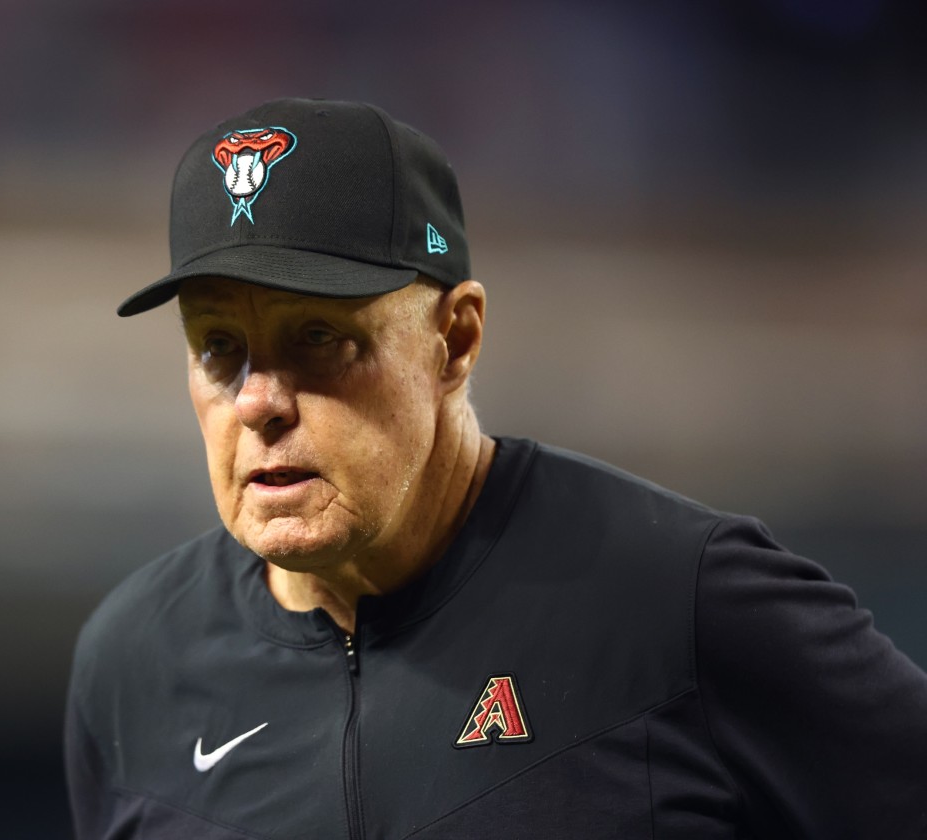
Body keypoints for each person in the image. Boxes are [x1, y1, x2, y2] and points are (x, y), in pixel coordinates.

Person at [64, 97, 927, 839]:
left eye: (320, 337)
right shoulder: (135, 661)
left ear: (457, 339)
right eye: (219, 348)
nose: (258, 402)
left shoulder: (681, 603)